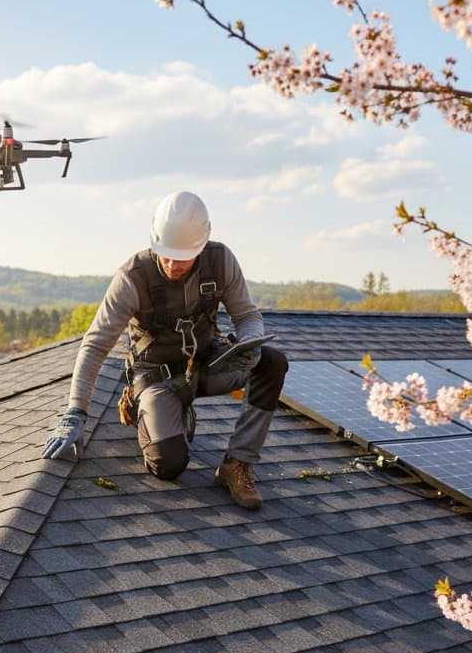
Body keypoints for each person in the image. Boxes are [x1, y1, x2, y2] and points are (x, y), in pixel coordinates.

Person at [42, 190, 288, 510]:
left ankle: (237, 464)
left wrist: (249, 345)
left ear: (200, 247)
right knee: (167, 465)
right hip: (157, 378)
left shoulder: (220, 260)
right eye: (166, 254)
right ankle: (146, 407)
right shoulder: (133, 277)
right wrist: (75, 412)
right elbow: (95, 345)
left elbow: (247, 316)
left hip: (205, 365)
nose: (173, 264)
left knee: (271, 362)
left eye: (183, 257)